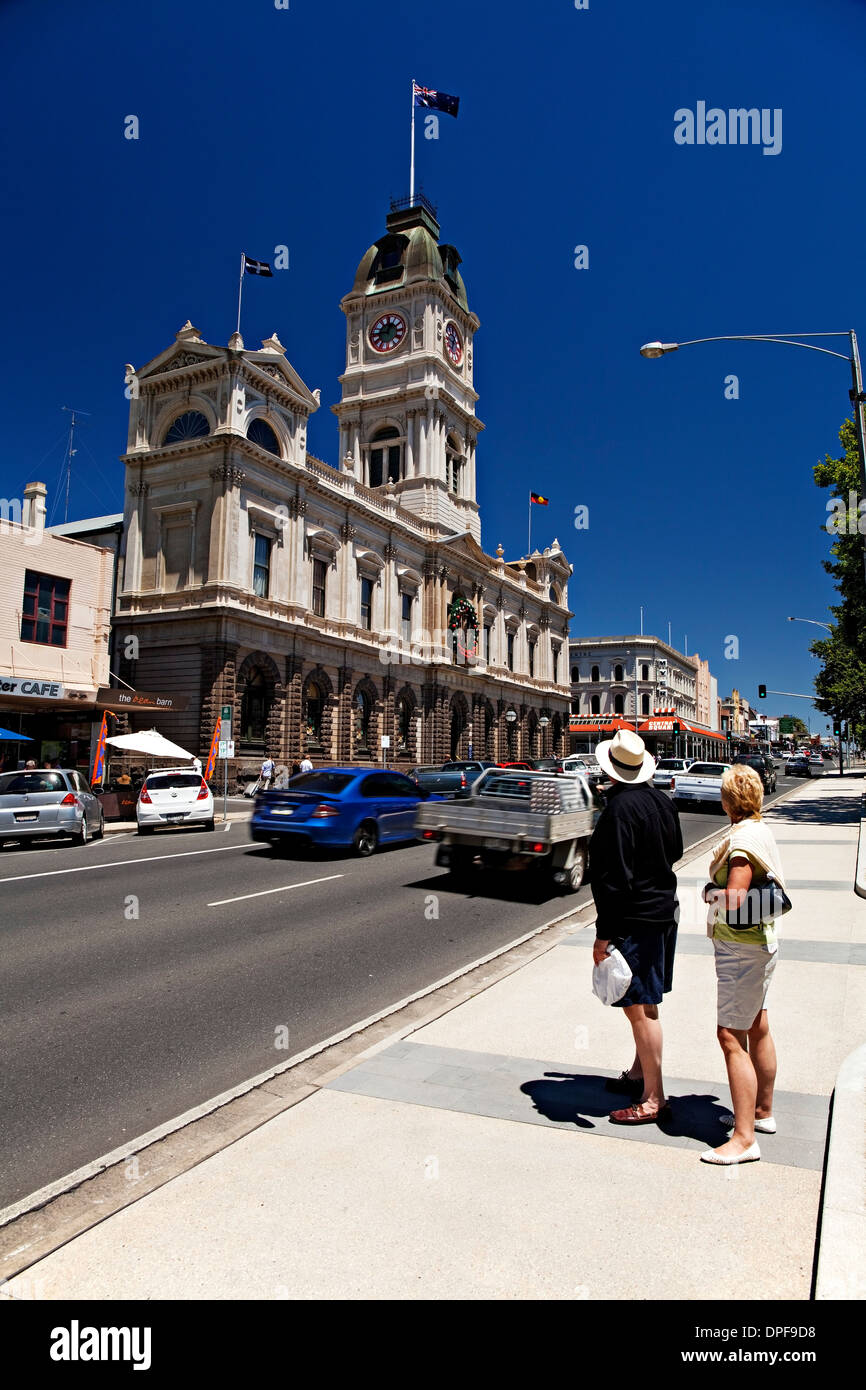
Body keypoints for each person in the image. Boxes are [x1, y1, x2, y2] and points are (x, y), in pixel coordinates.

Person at [589, 729, 683, 1125]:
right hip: (662, 911)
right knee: (643, 1001)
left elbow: (614, 880)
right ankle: (640, 1072)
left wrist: (603, 935)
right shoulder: (662, 802)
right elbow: (675, 851)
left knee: (641, 1007)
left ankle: (653, 1097)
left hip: (634, 920)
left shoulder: (618, 810)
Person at [700, 764, 785, 1166]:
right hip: (763, 943)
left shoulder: (741, 842)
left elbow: (734, 899)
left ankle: (744, 1138)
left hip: (740, 949)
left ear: (728, 799)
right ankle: (761, 1112)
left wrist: (709, 892)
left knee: (730, 1036)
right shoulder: (760, 829)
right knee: (758, 1024)